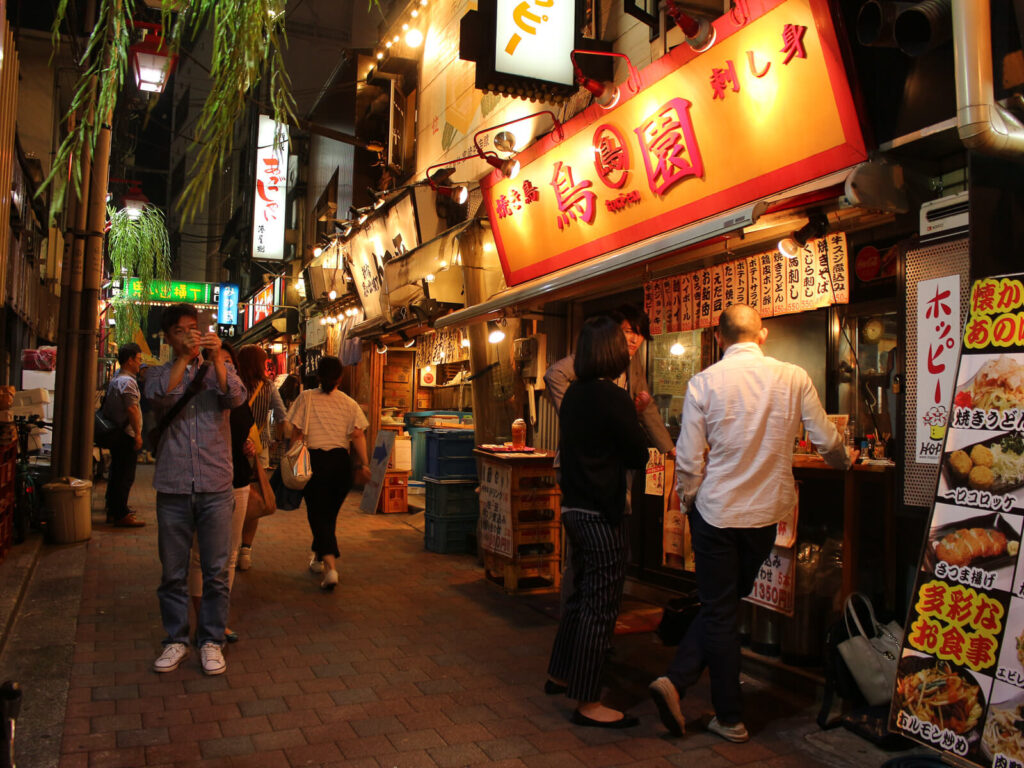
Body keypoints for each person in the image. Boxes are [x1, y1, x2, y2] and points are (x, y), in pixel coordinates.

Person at [648, 304, 855, 742]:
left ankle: (719, 709)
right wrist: (845, 461)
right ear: (761, 336)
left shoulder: (703, 381)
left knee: (720, 609)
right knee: (724, 606)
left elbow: (687, 459)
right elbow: (824, 439)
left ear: (720, 339)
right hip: (764, 516)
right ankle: (690, 691)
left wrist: (689, 502)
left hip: (716, 512)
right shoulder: (794, 376)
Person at [545, 316, 649, 729]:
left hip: (573, 509)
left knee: (578, 598)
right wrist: (636, 416)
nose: (628, 348)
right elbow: (638, 456)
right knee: (601, 606)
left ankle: (560, 672)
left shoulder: (573, 396)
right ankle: (587, 701)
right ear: (612, 351)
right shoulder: (613, 396)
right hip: (602, 514)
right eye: (622, 343)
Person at [544, 303, 674, 602]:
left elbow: (646, 409)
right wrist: (576, 417)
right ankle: (586, 619)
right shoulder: (592, 367)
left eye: (639, 335)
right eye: (628, 332)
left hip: (611, 470)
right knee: (589, 558)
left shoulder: (631, 366)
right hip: (583, 467)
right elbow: (553, 373)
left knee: (595, 554)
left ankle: (583, 623)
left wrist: (670, 449)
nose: (634, 340)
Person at [144, 304, 246, 676]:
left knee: (217, 571)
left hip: (215, 484)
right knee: (172, 571)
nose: (189, 335)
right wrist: (184, 361)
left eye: (194, 328)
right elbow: (161, 396)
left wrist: (216, 359)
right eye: (181, 331)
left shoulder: (223, 368)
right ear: (168, 337)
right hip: (172, 485)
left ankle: (211, 641)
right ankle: (175, 640)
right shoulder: (156, 372)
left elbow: (234, 398)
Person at [187, 341, 253, 645]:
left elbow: (246, 434)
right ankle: (202, 619)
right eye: (217, 361)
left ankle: (218, 618)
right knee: (202, 555)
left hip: (239, 481)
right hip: (208, 482)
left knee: (229, 554)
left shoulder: (240, 396)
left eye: (229, 362)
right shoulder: (200, 396)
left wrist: (250, 446)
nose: (223, 367)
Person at [286, 356, 370, 590]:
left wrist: (293, 461)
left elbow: (296, 433)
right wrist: (364, 463)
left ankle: (331, 567)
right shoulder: (349, 403)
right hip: (340, 465)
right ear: (340, 378)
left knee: (318, 514)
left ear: (318, 376)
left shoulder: (306, 398)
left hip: (314, 462)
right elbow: (357, 435)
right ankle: (317, 557)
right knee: (328, 515)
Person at [235, 345, 287, 572]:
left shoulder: (233, 384)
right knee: (253, 496)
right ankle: (245, 551)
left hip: (231, 446)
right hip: (258, 448)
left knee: (232, 496)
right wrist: (282, 439)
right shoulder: (268, 387)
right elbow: (282, 415)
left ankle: (229, 545)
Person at [101, 343, 146, 527]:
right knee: (125, 475)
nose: (139, 364)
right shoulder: (127, 382)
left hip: (117, 432)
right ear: (129, 360)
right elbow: (132, 409)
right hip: (125, 434)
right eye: (138, 359)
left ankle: (115, 509)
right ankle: (120, 514)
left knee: (117, 472)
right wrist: (137, 435)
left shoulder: (116, 379)